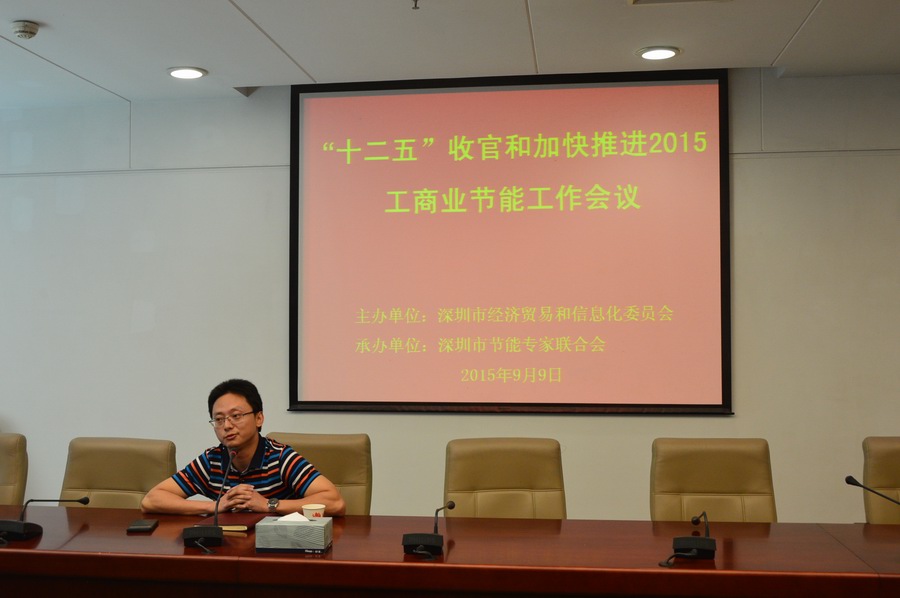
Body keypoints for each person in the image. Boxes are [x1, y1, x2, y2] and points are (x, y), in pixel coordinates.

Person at [141, 378, 345, 516]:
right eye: (219, 419)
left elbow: (334, 502)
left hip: (277, 550)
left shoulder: (279, 457)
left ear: (259, 418)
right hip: (227, 549)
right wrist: (215, 506)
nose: (227, 425)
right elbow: (151, 500)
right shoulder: (212, 460)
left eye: (236, 416)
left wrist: (268, 504)